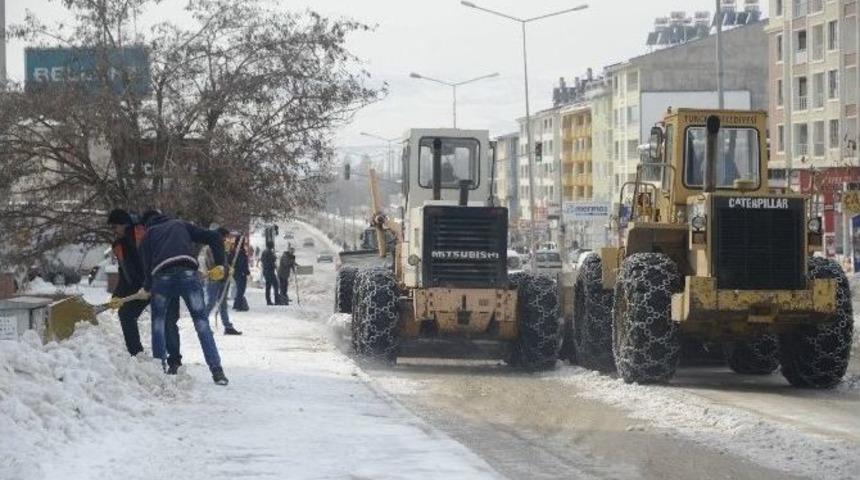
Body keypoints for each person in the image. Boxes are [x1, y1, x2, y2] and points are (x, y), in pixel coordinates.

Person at [139, 210, 229, 385]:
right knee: (201, 323)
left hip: (162, 278)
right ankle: (217, 371)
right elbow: (215, 237)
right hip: (188, 274)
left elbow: (147, 266)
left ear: (146, 224)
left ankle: (159, 369)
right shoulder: (180, 224)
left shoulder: (149, 234)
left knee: (159, 323)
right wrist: (220, 264)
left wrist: (147, 287)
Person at [106, 209, 183, 374]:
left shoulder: (141, 233)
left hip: (162, 282)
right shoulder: (119, 245)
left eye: (114, 227)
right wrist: (117, 295)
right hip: (140, 289)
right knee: (126, 313)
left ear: (123, 224)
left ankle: (174, 361)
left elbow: (153, 258)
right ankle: (136, 355)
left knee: (167, 321)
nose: (114, 231)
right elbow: (125, 273)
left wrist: (153, 282)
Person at [201, 228, 242, 335]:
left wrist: (228, 268)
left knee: (223, 304)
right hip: (213, 279)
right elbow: (211, 264)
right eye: (225, 237)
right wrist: (220, 269)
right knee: (211, 302)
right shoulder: (209, 248)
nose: (226, 239)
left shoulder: (221, 247)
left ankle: (227, 326)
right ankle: (202, 325)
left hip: (223, 279)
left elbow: (223, 262)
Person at [232, 235, 251, 311]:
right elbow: (241, 263)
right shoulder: (239, 252)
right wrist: (245, 271)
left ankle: (236, 304)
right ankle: (238, 305)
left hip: (237, 273)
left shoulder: (235, 250)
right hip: (240, 273)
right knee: (241, 289)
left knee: (239, 289)